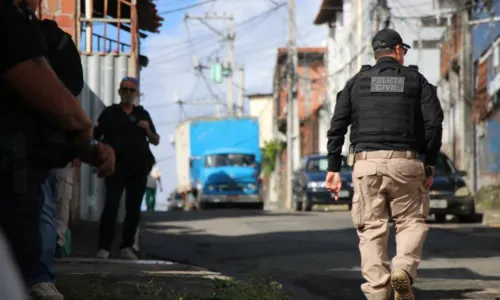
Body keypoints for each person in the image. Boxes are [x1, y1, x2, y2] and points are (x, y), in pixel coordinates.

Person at [0, 0, 115, 290]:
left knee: (47, 213)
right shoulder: (8, 24)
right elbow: (51, 95)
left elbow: (67, 88)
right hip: (14, 168)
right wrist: (84, 133)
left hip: (34, 159)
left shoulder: (55, 39)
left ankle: (41, 277)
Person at [324, 28, 443, 300]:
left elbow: (337, 127)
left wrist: (333, 168)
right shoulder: (417, 81)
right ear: (399, 50)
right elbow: (434, 124)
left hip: (366, 166)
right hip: (406, 163)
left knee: (371, 229)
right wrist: (431, 162)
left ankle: (378, 293)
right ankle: (402, 268)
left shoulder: (356, 82)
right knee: (411, 222)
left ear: (376, 53)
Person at [94, 77, 160, 260]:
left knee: (133, 208)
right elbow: (94, 136)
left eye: (131, 90)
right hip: (116, 167)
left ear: (137, 93)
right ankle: (104, 248)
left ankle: (127, 246)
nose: (128, 93)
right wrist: (100, 157)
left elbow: (156, 140)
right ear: (119, 91)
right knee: (111, 206)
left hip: (138, 167)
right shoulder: (110, 113)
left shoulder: (142, 114)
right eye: (124, 89)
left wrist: (147, 130)